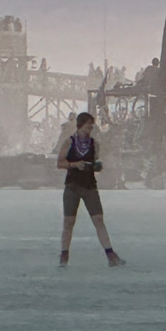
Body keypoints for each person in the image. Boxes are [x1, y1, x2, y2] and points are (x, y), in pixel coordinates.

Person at [57, 112, 124, 268]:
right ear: (81, 125)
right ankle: (64, 255)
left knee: (98, 220)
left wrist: (96, 167)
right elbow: (60, 162)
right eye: (88, 125)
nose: (90, 129)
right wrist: (75, 164)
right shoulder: (69, 142)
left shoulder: (94, 144)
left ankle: (110, 255)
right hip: (72, 186)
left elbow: (93, 161)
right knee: (69, 222)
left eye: (91, 126)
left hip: (90, 186)